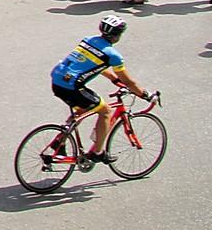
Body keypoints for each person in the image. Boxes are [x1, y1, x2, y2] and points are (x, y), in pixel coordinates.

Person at [49, 14, 151, 167]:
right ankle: (98, 153)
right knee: (106, 111)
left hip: (57, 81)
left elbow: (93, 65)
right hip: (71, 87)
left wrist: (112, 79)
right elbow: (129, 82)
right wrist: (145, 95)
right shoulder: (112, 55)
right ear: (118, 36)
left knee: (83, 110)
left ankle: (59, 141)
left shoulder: (88, 40)